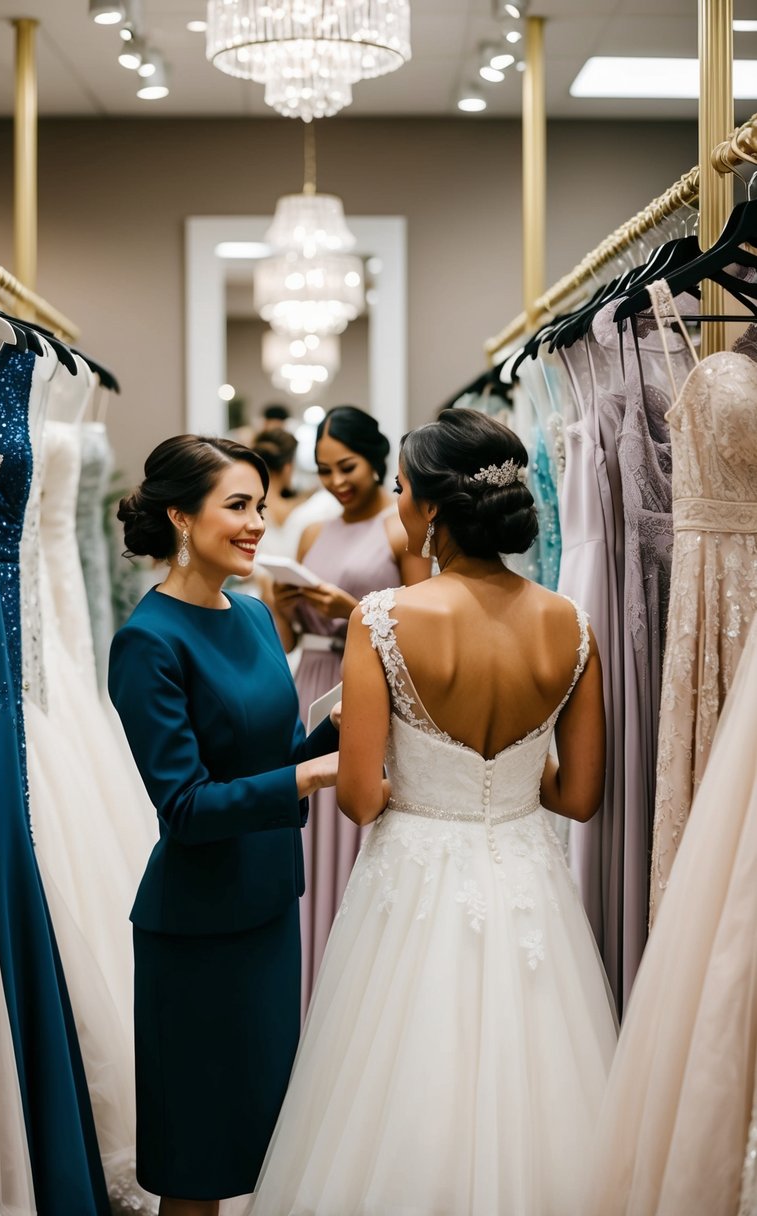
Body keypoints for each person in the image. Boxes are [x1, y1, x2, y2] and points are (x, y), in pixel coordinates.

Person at [249, 408, 618, 1216]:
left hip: (411, 876)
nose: (396, 502)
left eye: (402, 487)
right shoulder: (573, 625)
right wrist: (509, 780)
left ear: (433, 511)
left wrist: (413, 774)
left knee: (399, 1080)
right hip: (527, 875)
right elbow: (580, 798)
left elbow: (358, 797)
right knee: (538, 1081)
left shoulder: (384, 619)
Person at [107, 434, 340, 1216]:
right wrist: (309, 774)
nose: (256, 524)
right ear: (179, 514)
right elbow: (186, 806)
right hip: (198, 931)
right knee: (200, 1167)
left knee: (263, 1143)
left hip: (269, 907)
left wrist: (340, 730)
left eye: (260, 506)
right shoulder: (147, 640)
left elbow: (268, 757)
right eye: (236, 506)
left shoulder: (250, 614)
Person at [270, 405, 431, 1008]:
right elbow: (288, 641)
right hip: (313, 680)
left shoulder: (399, 529)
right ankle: (307, 987)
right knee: (311, 837)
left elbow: (422, 627)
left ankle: (355, 993)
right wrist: (283, 605)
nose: (336, 482)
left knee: (358, 825)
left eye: (348, 467)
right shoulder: (313, 533)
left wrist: (354, 613)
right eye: (323, 470)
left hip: (370, 685)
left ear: (377, 460)